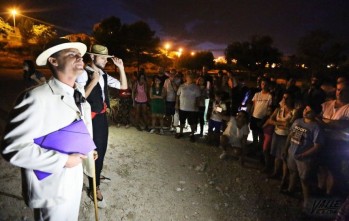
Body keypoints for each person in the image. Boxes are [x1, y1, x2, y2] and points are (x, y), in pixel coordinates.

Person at [2, 38, 95, 220]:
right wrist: (63, 160)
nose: (79, 57)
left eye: (80, 54)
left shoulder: (79, 95)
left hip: (73, 183)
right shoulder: (36, 98)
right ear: (53, 61)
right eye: (71, 54)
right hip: (51, 189)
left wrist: (89, 150)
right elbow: (13, 149)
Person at [76, 44, 127, 208]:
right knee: (92, 152)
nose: (106, 61)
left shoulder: (104, 74)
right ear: (92, 57)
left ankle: (95, 178)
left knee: (101, 151)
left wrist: (121, 68)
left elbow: (123, 87)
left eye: (106, 58)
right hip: (89, 119)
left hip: (102, 117)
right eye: (102, 58)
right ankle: (94, 187)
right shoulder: (83, 74)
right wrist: (94, 81)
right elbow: (79, 97)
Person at [283, 104, 324, 209]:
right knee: (292, 172)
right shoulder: (298, 121)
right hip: (292, 152)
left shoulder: (316, 127)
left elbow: (317, 146)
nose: (306, 112)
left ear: (315, 113)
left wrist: (303, 155)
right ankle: (290, 189)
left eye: (309, 111)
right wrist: (285, 148)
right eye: (306, 109)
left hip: (304, 158)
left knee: (304, 179)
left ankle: (307, 201)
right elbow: (290, 135)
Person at [175, 71, 201, 142]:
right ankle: (181, 132)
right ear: (186, 78)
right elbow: (177, 95)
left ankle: (192, 134)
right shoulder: (182, 86)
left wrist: (197, 106)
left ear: (193, 78)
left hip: (192, 108)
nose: (189, 78)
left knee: (192, 122)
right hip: (182, 107)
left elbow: (198, 98)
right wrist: (177, 104)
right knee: (182, 121)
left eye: (191, 77)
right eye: (188, 77)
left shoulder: (196, 87)